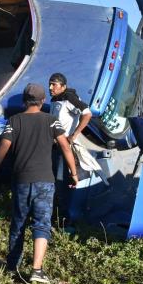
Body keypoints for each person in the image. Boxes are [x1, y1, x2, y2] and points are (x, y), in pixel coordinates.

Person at [0, 83, 77, 284]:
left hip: (21, 181)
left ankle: (12, 266)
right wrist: (74, 172)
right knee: (41, 224)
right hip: (44, 181)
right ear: (43, 101)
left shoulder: (14, 121)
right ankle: (36, 269)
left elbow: (3, 147)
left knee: (19, 222)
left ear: (25, 101)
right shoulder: (52, 121)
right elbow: (65, 147)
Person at [48, 73, 92, 225]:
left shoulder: (69, 98)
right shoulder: (55, 100)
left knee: (60, 184)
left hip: (64, 147)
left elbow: (87, 114)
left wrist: (74, 135)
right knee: (53, 182)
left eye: (54, 84)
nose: (51, 87)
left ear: (63, 86)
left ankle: (64, 221)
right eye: (50, 84)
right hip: (53, 146)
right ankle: (54, 216)